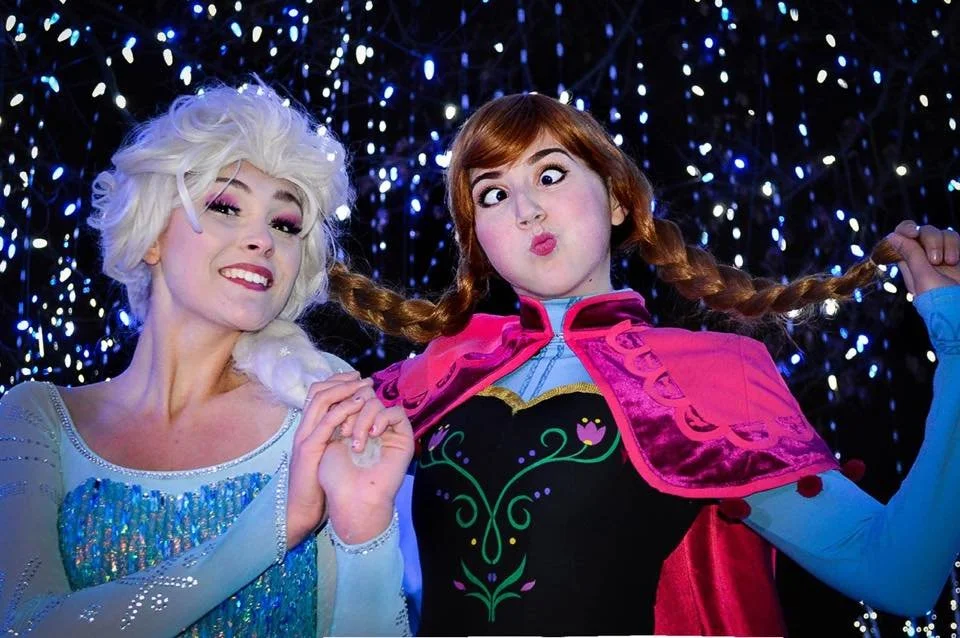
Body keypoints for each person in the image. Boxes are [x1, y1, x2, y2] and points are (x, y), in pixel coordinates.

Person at [324, 93, 960, 636]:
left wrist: (955, 339)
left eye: (549, 175)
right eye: (492, 194)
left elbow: (898, 573)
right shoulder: (425, 379)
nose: (526, 210)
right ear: (479, 243)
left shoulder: (713, 377)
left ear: (619, 199)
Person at [0, 83, 414, 637]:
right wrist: (276, 524)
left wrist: (367, 532)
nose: (262, 240)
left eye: (285, 224)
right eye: (225, 206)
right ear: (152, 235)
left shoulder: (318, 404)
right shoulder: (36, 418)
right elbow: (25, 627)